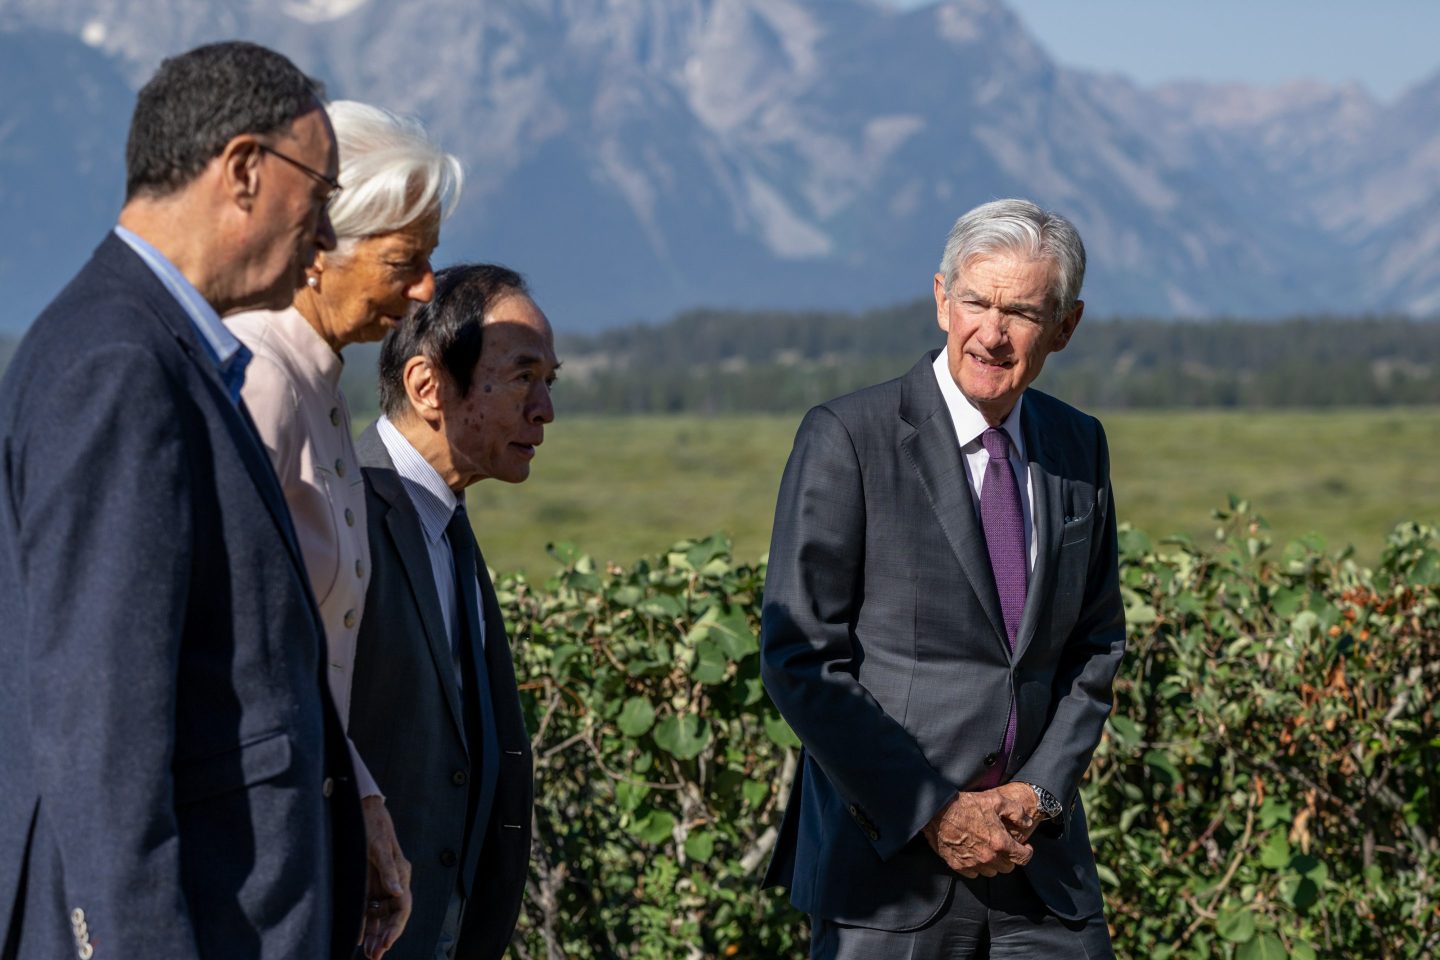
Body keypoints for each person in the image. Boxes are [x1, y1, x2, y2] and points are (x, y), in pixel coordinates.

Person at [0, 42, 365, 960]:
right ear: (244, 170)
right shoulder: (120, 366)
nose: (326, 235)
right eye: (321, 195)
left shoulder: (155, 350)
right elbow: (101, 725)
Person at [760, 198, 1126, 958]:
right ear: (940, 300)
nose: (992, 333)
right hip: (887, 874)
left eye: (1020, 312)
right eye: (977, 302)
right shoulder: (848, 438)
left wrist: (1039, 793)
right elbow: (801, 658)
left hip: (1041, 871)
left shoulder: (1079, 444)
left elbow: (1095, 648)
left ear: (1066, 326)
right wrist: (933, 810)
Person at [226, 99, 464, 960]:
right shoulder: (261, 384)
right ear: (319, 245)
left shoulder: (320, 386)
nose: (427, 288)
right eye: (404, 261)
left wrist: (363, 805)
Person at [347, 263, 558, 960]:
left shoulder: (447, 524)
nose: (544, 410)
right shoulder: (340, 512)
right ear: (427, 385)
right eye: (523, 377)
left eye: (549, 381)